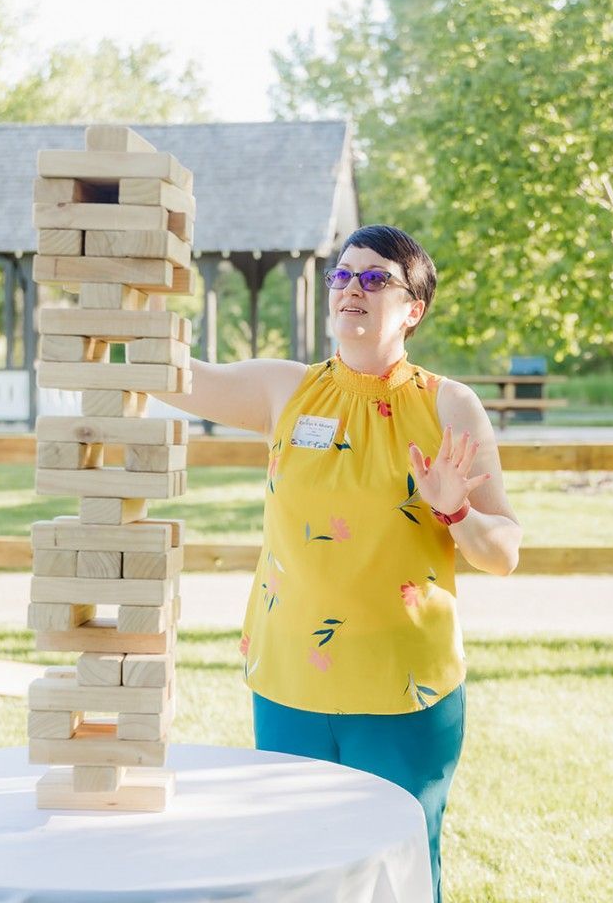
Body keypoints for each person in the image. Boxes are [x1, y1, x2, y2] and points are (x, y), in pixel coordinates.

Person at [160, 224, 522, 902]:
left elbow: (503, 553)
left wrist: (456, 513)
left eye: (375, 277)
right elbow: (171, 375)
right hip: (289, 680)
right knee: (299, 871)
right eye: (341, 275)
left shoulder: (448, 405)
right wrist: (126, 281)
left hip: (403, 687)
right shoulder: (283, 390)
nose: (352, 288)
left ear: (412, 308)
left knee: (394, 874)